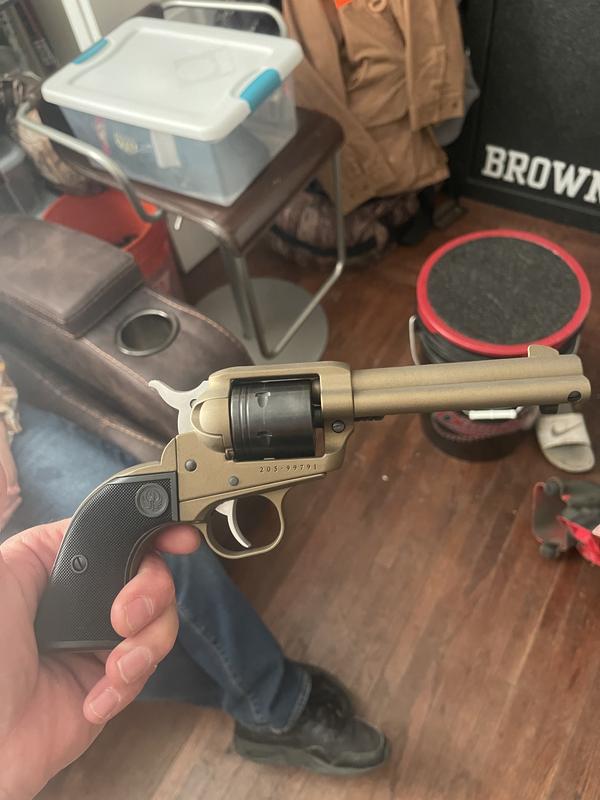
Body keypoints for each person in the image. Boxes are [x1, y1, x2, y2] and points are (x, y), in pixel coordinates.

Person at [0, 359, 388, 798]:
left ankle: (266, 696)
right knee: (93, 622)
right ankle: (276, 707)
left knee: (167, 567)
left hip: (8, 427)